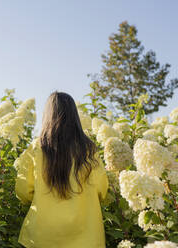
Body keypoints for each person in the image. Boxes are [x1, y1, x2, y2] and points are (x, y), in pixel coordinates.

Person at [15, 91, 108, 248]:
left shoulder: (36, 147)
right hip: (87, 238)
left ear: (47, 116)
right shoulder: (89, 149)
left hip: (42, 237)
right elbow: (102, 190)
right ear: (75, 117)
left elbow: (23, 191)